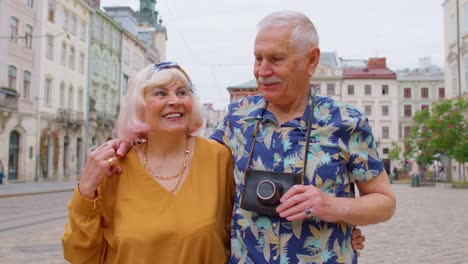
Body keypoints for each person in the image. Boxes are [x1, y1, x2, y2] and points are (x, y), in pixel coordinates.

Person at [208, 11, 396, 263]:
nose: (262, 71)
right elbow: (189, 164)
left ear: (311, 60)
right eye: (257, 58)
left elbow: (384, 202)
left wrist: (331, 206)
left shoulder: (347, 121)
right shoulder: (236, 118)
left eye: (276, 59)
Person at [61, 62, 235, 263]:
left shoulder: (219, 159)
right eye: (160, 93)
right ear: (139, 107)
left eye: (182, 92)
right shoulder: (114, 168)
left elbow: (242, 235)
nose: (174, 101)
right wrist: (86, 189)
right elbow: (80, 254)